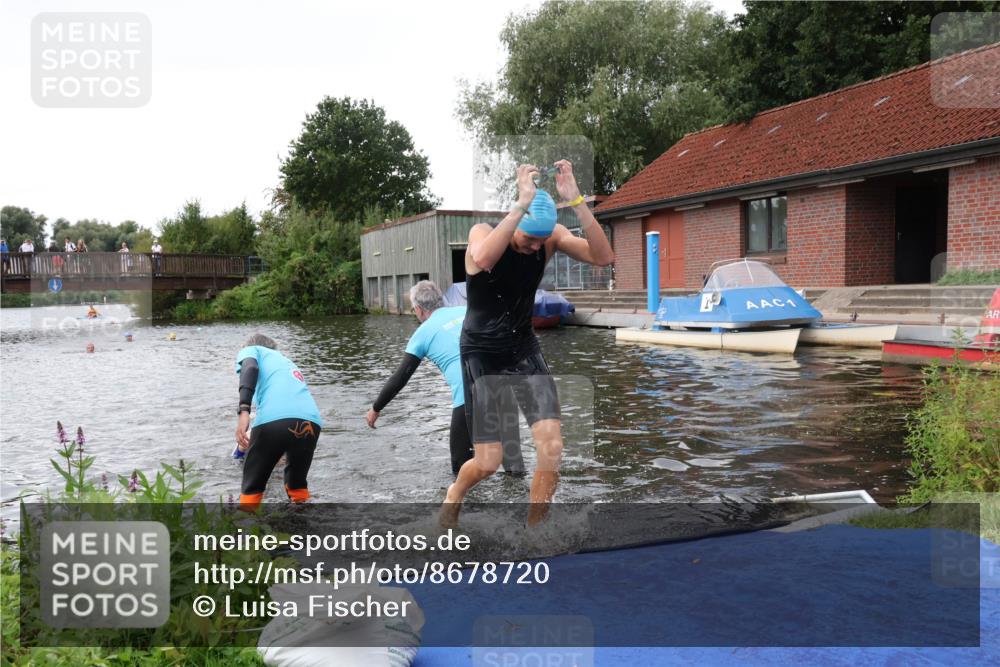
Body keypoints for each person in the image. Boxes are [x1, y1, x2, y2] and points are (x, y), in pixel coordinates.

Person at [442, 160, 613, 527]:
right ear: (514, 220)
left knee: (552, 448)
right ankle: (455, 491)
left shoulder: (548, 238)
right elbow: (484, 259)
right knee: (488, 462)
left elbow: (603, 257)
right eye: (528, 239)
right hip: (482, 354)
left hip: (523, 348)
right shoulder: (481, 233)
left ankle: (535, 532)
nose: (535, 247)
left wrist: (577, 201)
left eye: (540, 240)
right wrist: (521, 203)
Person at [366, 280, 524, 476]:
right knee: (514, 463)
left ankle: (468, 505)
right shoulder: (467, 310)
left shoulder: (422, 333)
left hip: (470, 394)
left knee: (460, 468)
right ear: (440, 300)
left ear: (418, 309)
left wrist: (376, 408)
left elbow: (401, 377)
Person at [234, 334, 323, 510]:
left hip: (274, 420)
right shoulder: (285, 361)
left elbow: (250, 368)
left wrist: (244, 410)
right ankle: (304, 531)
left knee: (252, 486)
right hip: (311, 421)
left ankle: (244, 531)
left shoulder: (253, 350)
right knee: (297, 487)